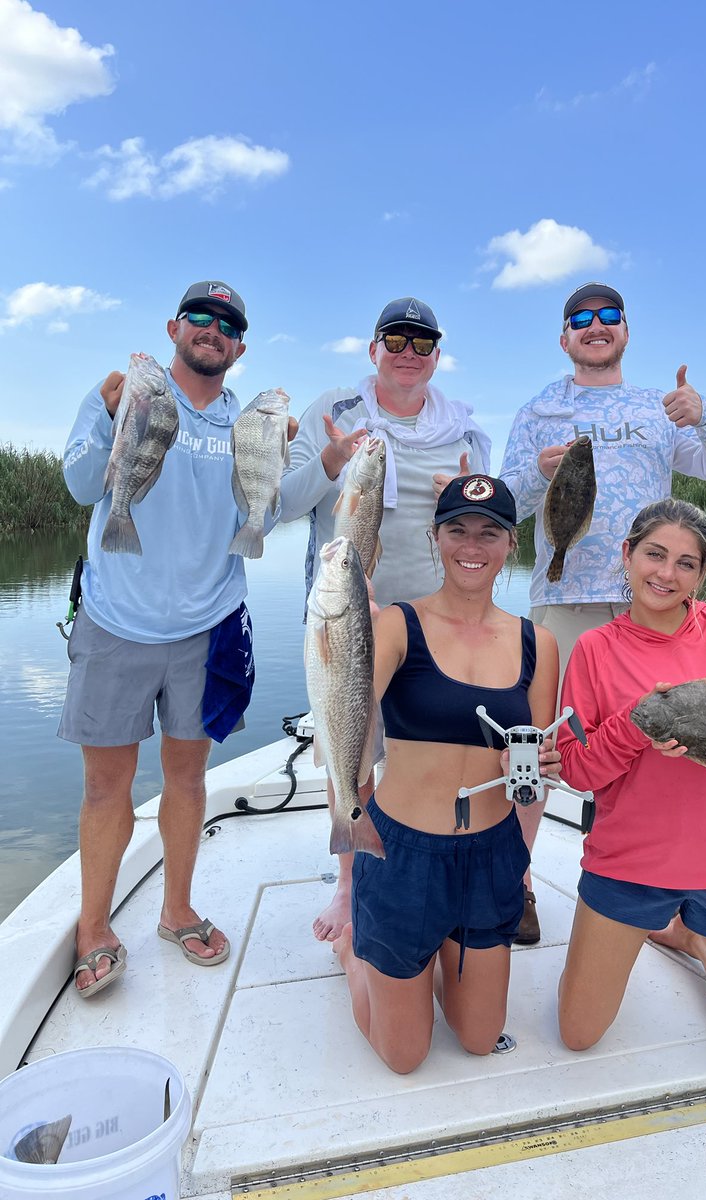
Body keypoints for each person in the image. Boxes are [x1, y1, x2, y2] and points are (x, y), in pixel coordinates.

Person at [60, 280, 293, 998]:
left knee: (188, 778)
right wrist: (105, 412)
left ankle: (177, 908)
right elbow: (76, 485)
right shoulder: (125, 395)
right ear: (173, 327)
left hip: (207, 627)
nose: (212, 328)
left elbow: (268, 510)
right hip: (114, 621)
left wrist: (292, 457)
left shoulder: (245, 422)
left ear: (240, 346)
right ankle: (94, 925)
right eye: (200, 316)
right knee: (106, 787)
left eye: (227, 323)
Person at [499, 281, 706, 942]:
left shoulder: (660, 408)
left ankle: (642, 889)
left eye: (609, 317)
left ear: (626, 331)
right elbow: (506, 507)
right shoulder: (538, 410)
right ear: (564, 338)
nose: (596, 326)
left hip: (652, 605)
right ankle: (513, 883)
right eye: (581, 319)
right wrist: (535, 475)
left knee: (645, 744)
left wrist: (705, 414)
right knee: (539, 747)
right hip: (565, 598)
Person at [555, 498, 706, 1061]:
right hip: (630, 861)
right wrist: (636, 728)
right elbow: (575, 768)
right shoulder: (595, 648)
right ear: (627, 555)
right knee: (579, 1034)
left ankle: (697, 941)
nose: (666, 574)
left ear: (702, 574)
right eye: (655, 555)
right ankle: (672, 927)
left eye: (685, 563)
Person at [280, 297, 491, 942]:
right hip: (348, 615)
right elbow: (285, 504)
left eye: (422, 344)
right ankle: (349, 883)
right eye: (395, 340)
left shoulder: (466, 431)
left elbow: (480, 531)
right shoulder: (333, 412)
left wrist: (463, 494)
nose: (408, 353)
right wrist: (331, 462)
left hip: (434, 618)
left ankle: (436, 865)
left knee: (434, 747)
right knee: (352, 745)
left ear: (436, 355)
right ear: (373, 348)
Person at [333, 475, 560, 1073]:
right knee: (404, 1056)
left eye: (490, 533)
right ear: (436, 538)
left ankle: (419, 960)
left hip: (490, 858)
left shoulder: (539, 643)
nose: (472, 545)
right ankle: (354, 954)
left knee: (479, 1039)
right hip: (401, 852)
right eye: (457, 529)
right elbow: (347, 713)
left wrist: (536, 768)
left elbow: (531, 769)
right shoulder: (396, 626)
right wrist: (342, 623)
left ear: (512, 544)